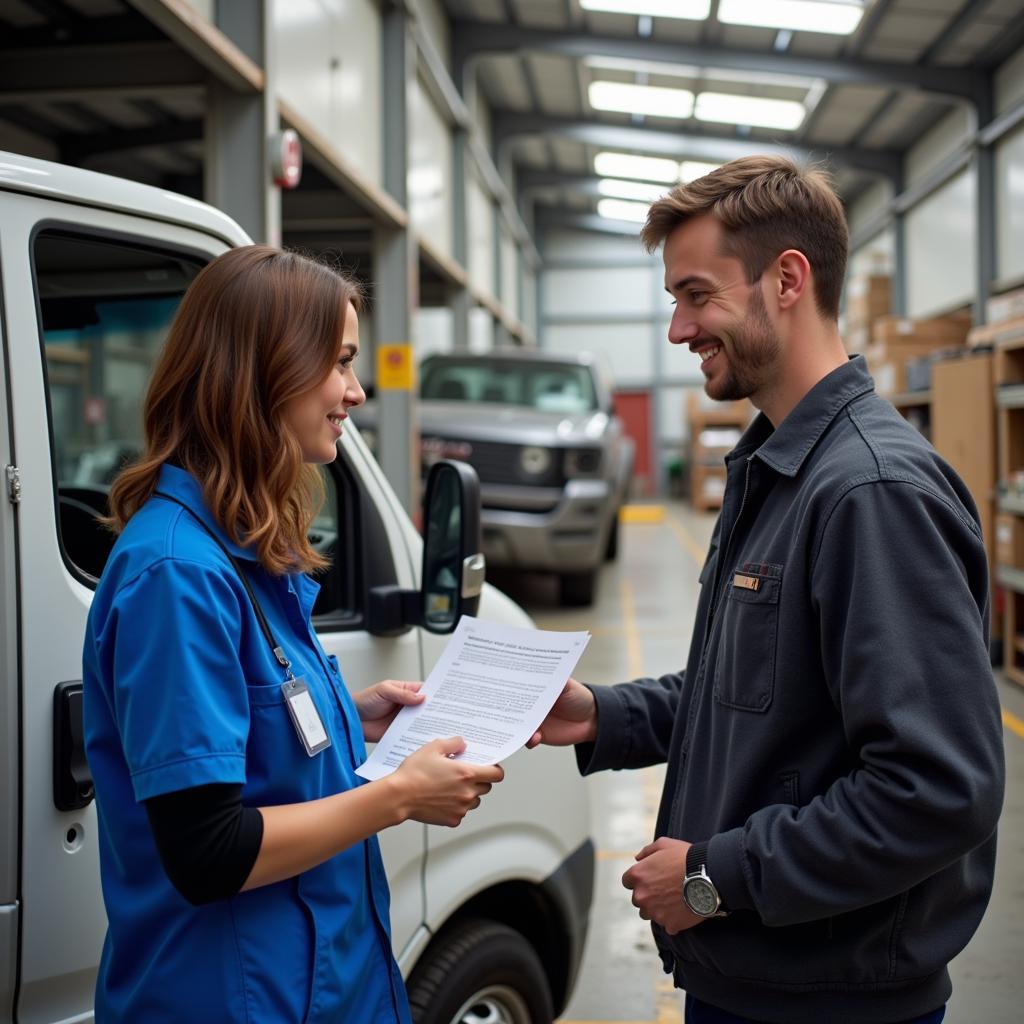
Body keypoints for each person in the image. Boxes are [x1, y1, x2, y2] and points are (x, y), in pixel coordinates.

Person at [529, 156, 1005, 1024]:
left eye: (696, 295)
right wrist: (603, 714)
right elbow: (764, 695)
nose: (678, 329)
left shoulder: (869, 492)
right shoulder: (781, 467)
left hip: (825, 1000)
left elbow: (937, 790)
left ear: (787, 279)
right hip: (764, 977)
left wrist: (712, 879)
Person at [83, 245, 504, 1023]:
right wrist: (397, 797)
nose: (355, 390)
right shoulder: (177, 573)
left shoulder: (242, 554)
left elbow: (257, 742)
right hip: (234, 1000)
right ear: (262, 369)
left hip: (319, 989)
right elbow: (207, 849)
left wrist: (353, 714)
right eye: (339, 362)